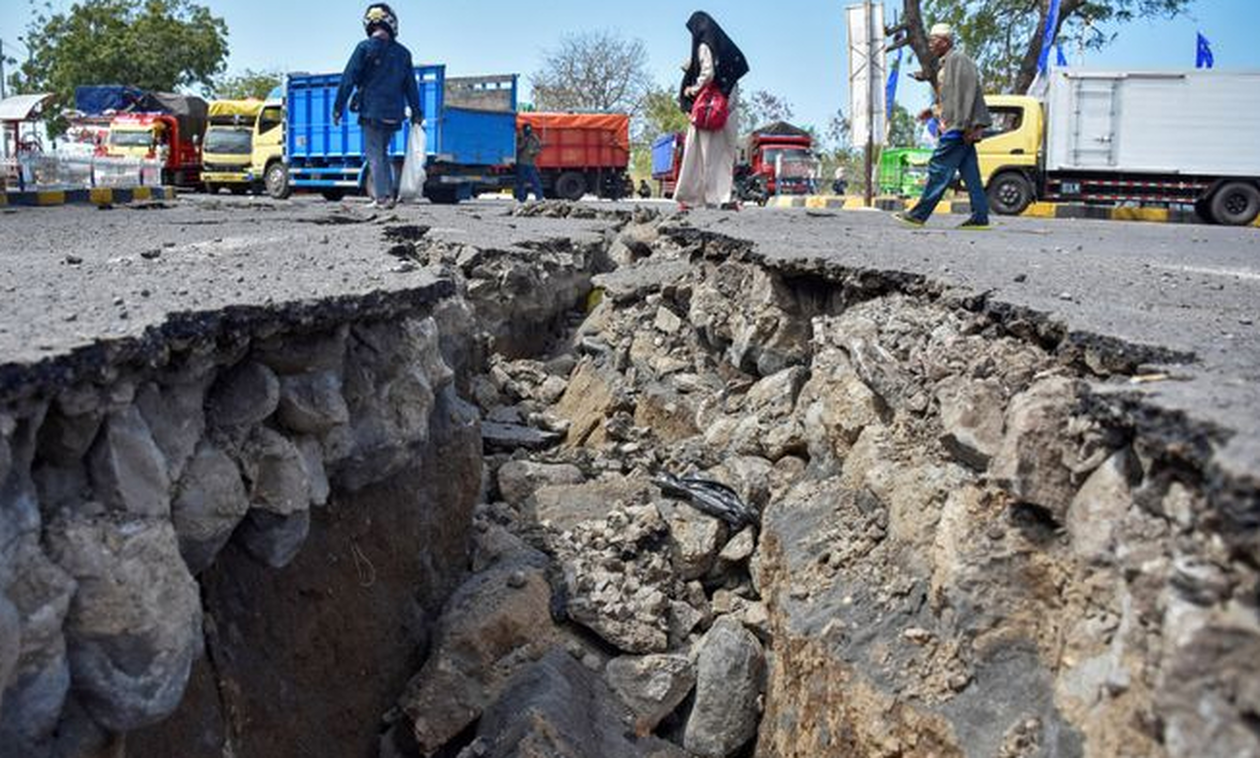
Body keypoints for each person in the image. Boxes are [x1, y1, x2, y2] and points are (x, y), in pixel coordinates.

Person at [895, 23, 992, 230]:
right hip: (958, 124)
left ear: (945, 41)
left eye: (933, 40)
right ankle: (980, 217)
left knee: (939, 167)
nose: (930, 44)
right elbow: (949, 98)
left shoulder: (959, 59)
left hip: (959, 126)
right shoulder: (946, 64)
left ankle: (918, 215)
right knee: (970, 174)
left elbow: (968, 92)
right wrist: (932, 111)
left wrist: (967, 125)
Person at [333, 4, 423, 209]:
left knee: (374, 154)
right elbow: (411, 86)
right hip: (394, 114)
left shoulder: (364, 47)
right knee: (382, 152)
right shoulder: (403, 53)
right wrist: (417, 113)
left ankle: (382, 198)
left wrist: (338, 108)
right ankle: (387, 195)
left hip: (371, 111)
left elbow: (348, 79)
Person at [674, 12, 749, 210]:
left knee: (698, 152)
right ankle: (722, 197)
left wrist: (693, 89)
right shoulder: (723, 49)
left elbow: (707, 73)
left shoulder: (704, 45)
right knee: (723, 154)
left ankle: (692, 198)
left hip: (708, 110)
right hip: (726, 108)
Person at [514, 123, 545, 202]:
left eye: (529, 130)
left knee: (535, 181)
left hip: (531, 163)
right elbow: (516, 149)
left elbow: (539, 147)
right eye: (526, 130)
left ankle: (539, 198)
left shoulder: (534, 137)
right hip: (521, 163)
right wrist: (523, 142)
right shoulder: (519, 137)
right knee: (521, 182)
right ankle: (521, 199)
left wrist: (534, 152)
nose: (528, 131)